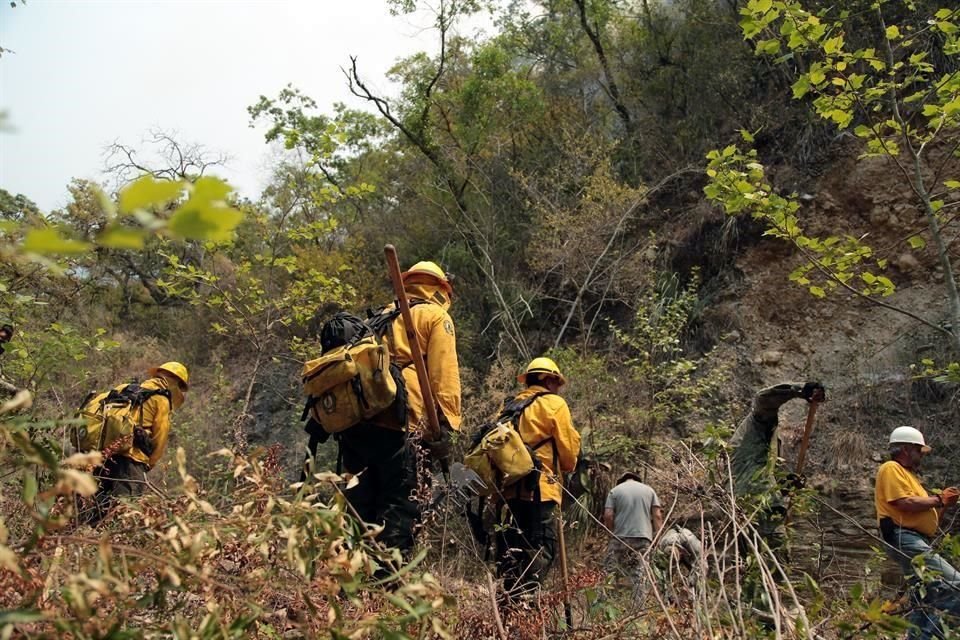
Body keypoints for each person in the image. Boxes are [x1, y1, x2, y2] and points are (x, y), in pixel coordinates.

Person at [338, 261, 461, 554]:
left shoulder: (376, 319)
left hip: (359, 426)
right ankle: (388, 579)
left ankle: (351, 577)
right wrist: (447, 425)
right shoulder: (435, 316)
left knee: (358, 515)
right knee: (399, 515)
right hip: (405, 427)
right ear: (441, 288)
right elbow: (444, 376)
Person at [496, 357, 581, 597]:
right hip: (541, 490)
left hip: (507, 492)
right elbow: (568, 456)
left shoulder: (508, 406)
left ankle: (509, 605)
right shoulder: (554, 404)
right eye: (557, 383)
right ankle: (528, 604)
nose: (558, 388)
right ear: (548, 379)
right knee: (541, 549)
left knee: (511, 553)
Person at [876, 426, 960, 639]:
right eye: (919, 450)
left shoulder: (909, 477)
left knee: (925, 595)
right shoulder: (891, 468)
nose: (922, 455)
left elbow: (924, 510)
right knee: (956, 586)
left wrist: (942, 503)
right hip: (904, 537)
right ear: (906, 449)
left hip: (914, 538)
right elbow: (904, 502)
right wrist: (939, 499)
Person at [86, 361, 189, 523]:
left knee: (97, 506)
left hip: (104, 455)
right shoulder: (161, 399)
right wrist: (149, 463)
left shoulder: (125, 389)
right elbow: (160, 436)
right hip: (132, 461)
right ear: (176, 382)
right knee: (125, 510)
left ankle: (87, 535)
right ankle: (115, 538)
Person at [729, 381, 825, 551]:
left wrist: (786, 485)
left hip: (742, 506)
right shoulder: (758, 422)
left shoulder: (767, 439)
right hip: (756, 504)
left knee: (749, 560)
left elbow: (761, 473)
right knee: (776, 555)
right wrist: (803, 389)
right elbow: (763, 398)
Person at [603, 471, 662, 596]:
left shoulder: (615, 491)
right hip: (643, 537)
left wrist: (611, 532)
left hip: (620, 537)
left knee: (610, 571)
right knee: (640, 574)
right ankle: (638, 604)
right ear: (638, 480)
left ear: (622, 480)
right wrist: (657, 537)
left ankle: (605, 600)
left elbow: (608, 515)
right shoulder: (649, 491)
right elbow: (657, 515)